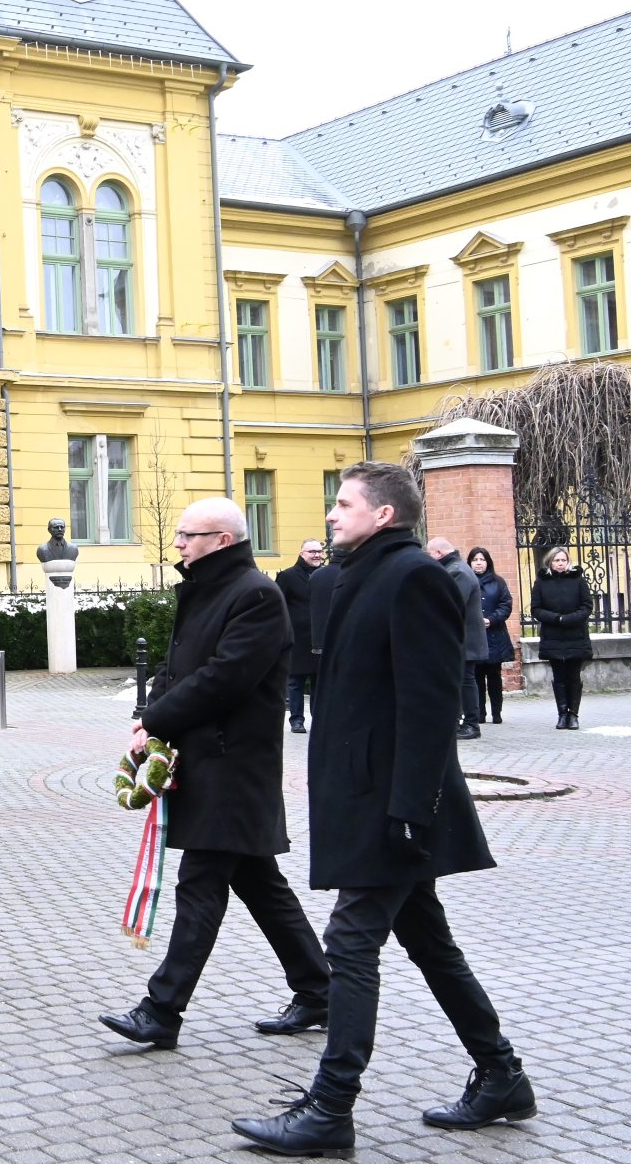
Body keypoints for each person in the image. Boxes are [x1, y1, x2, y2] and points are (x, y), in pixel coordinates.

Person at [232, 462, 534, 1158]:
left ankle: (331, 1107)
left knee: (350, 941)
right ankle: (502, 1077)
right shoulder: (351, 576)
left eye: (343, 504)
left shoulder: (413, 577)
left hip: (394, 804)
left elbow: (431, 704)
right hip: (366, 795)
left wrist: (412, 806)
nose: (332, 515)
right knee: (428, 941)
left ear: (385, 515)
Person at [100, 498, 329, 1052]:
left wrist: (157, 716)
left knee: (200, 886)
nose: (178, 543)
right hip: (207, 761)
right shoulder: (209, 589)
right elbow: (177, 666)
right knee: (260, 883)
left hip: (234, 768)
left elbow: (225, 678)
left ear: (223, 540)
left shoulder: (255, 594)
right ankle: (320, 991)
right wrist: (149, 718)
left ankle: (162, 1009)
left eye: (188, 534)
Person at [427, 537, 488, 741]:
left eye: (429, 554)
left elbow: (451, 604)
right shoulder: (454, 567)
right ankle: (458, 721)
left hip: (464, 639)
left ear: (438, 553)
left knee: (465, 681)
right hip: (460, 638)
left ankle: (471, 724)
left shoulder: (458, 571)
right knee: (460, 680)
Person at [530, 546, 592, 730]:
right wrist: (556, 619)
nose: (560, 563)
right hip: (553, 636)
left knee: (573, 676)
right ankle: (562, 714)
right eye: (556, 560)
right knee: (559, 677)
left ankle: (573, 714)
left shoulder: (578, 581)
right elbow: (536, 609)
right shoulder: (541, 582)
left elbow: (587, 606)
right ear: (550, 562)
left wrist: (569, 619)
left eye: (563, 560)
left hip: (576, 635)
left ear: (568, 562)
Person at [274, 539, 326, 733]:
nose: (317, 555)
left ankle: (318, 718)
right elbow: (278, 605)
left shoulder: (324, 575)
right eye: (312, 551)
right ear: (302, 553)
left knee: (318, 680)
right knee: (295, 681)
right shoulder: (288, 576)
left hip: (319, 636)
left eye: (319, 551)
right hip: (296, 637)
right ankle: (296, 719)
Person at [466, 547, 513, 725]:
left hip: (495, 635)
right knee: (476, 677)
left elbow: (506, 605)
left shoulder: (498, 582)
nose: (478, 563)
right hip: (474, 636)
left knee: (494, 676)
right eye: (475, 559)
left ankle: (497, 712)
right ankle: (480, 713)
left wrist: (491, 620)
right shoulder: (466, 580)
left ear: (488, 562)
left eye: (482, 559)